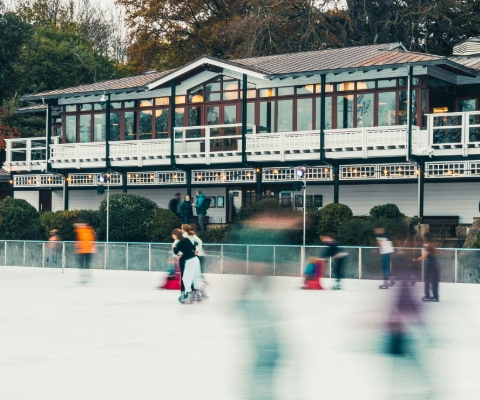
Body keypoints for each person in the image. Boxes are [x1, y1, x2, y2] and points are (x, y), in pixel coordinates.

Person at [172, 228, 204, 303]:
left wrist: (173, 246)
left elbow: (176, 252)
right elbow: (193, 247)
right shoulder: (186, 239)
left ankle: (188, 295)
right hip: (195, 259)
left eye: (173, 236)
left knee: (186, 278)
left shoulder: (179, 243)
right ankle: (197, 294)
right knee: (195, 277)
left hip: (189, 261)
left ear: (176, 236)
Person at [413, 233, 440, 302]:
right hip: (435, 265)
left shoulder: (429, 246)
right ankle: (435, 296)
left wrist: (416, 259)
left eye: (424, 238)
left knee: (427, 281)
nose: (423, 239)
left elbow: (424, 256)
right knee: (434, 281)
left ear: (426, 238)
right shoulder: (433, 245)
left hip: (431, 266)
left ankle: (427, 296)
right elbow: (438, 253)